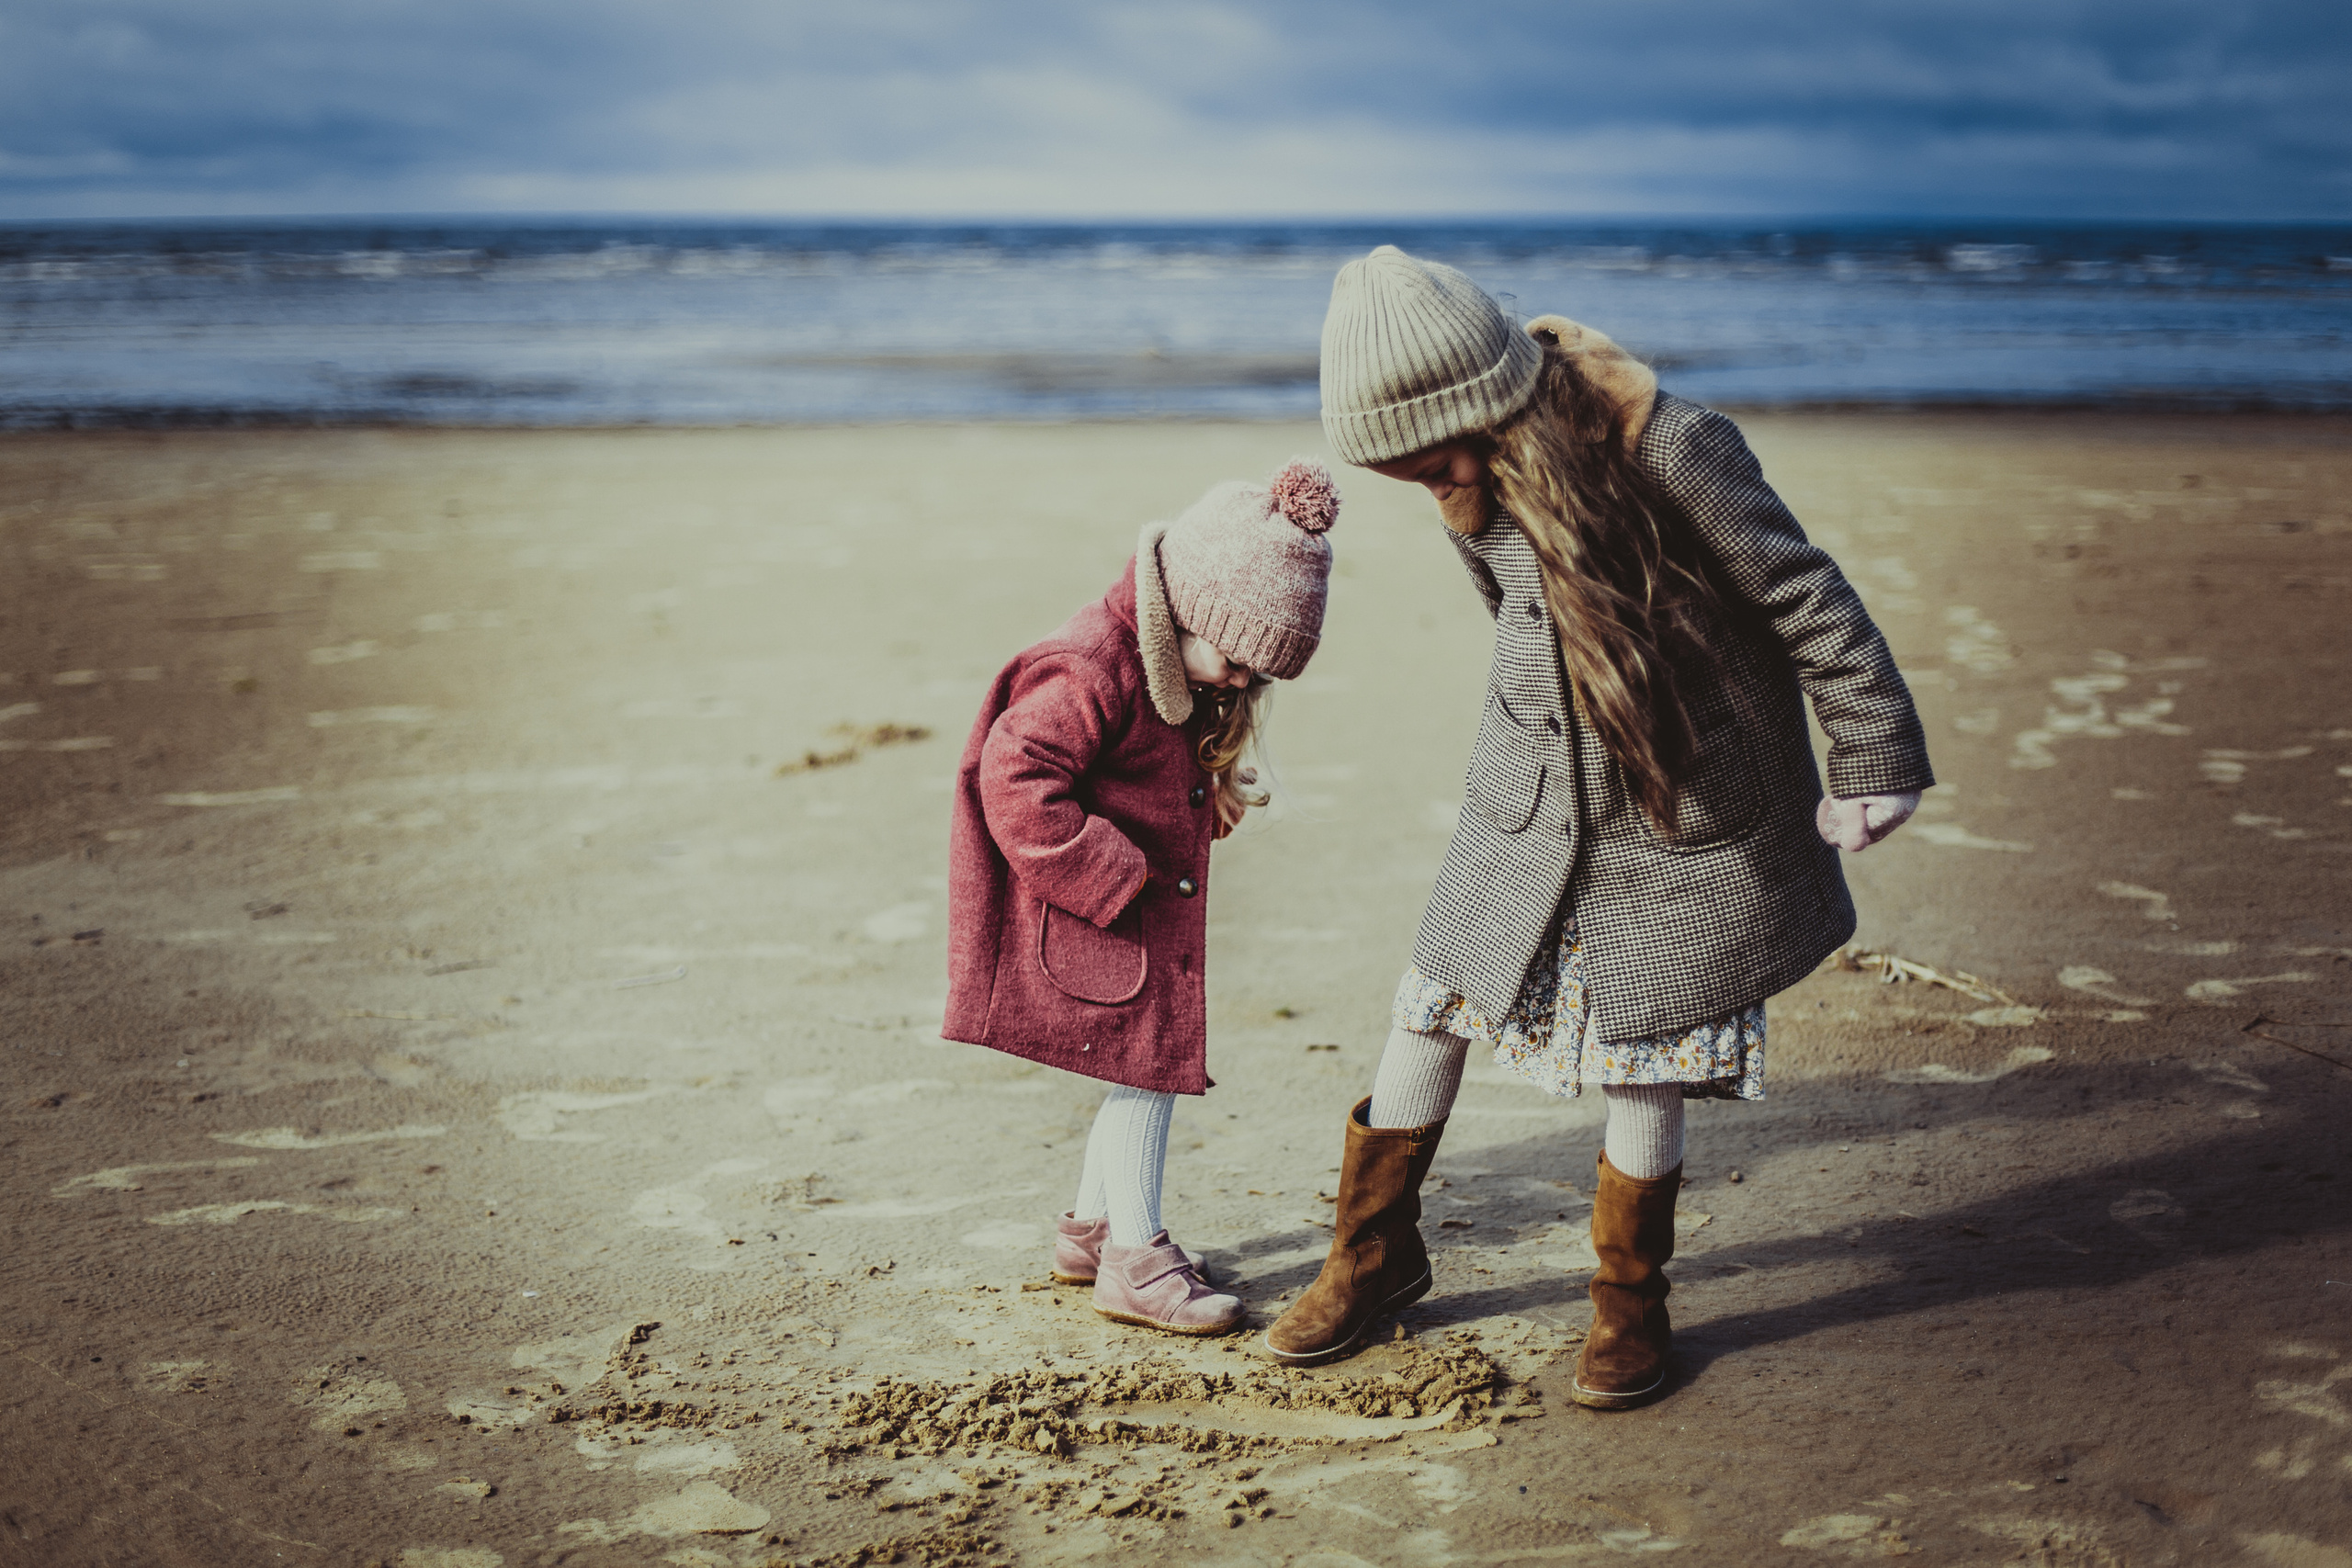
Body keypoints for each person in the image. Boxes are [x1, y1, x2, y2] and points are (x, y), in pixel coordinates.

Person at [1264, 247, 1933, 1407]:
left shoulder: (1673, 449)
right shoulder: (1463, 487)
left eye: (1437, 455)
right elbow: (1511, 611)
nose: (1440, 482)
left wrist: (1873, 751)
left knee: (1646, 1046)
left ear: (1484, 399)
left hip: (1677, 799)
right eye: (1408, 472)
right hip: (1521, 801)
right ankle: (1370, 1254)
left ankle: (1630, 1305)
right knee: (1432, 1002)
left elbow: (1804, 597)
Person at [944, 458, 1341, 1335]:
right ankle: (1133, 1256)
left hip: (1137, 913)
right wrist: (1106, 868)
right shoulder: (1089, 668)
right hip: (1096, 911)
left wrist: (1212, 781)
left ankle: (1089, 1232)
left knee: (1133, 1054)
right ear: (1189, 609)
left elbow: (1164, 742)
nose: (1236, 683)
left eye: (1256, 677)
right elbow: (1013, 776)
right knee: (1145, 1065)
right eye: (1233, 660)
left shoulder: (1180, 664)